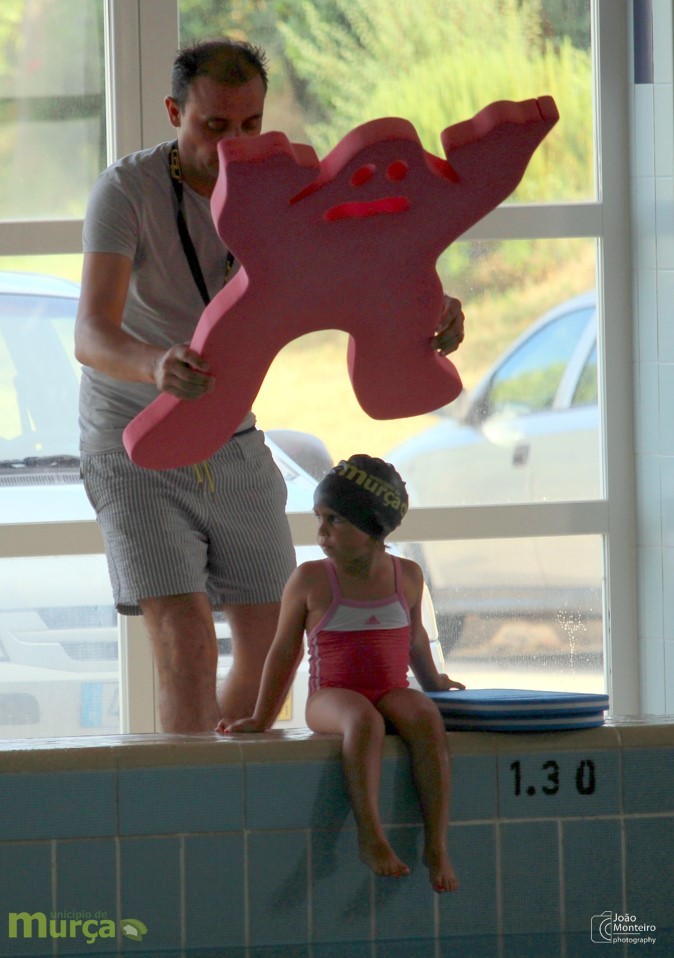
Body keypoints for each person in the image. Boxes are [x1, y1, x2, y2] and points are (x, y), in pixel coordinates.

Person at [74, 38, 466, 735]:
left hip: (231, 437)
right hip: (134, 441)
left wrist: (430, 310)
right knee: (187, 641)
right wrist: (157, 365)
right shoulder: (126, 191)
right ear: (174, 112)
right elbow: (90, 334)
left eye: (250, 124)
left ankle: (224, 778)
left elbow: (363, 270)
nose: (234, 143)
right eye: (214, 126)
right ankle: (195, 795)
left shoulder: (282, 187)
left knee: (271, 645)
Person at [223, 455, 465, 892]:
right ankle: (370, 837)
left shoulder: (407, 576)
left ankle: (437, 844)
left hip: (390, 689)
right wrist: (262, 717)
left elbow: (415, 640)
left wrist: (435, 685)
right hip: (331, 696)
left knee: (427, 718)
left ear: (374, 525)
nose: (321, 533)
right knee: (363, 720)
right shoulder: (311, 579)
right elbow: (284, 652)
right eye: (319, 518)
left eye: (334, 520)